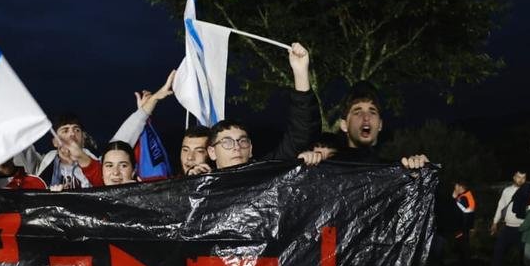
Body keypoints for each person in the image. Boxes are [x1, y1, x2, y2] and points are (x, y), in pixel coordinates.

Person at [31, 71, 176, 190]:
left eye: (76, 130)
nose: (71, 134)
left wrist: (153, 100)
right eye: (65, 130)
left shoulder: (102, 167)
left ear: (84, 138)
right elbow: (14, 146)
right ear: (55, 141)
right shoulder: (40, 165)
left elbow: (127, 134)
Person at [204, 43, 321, 173]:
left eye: (243, 141)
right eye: (227, 142)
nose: (236, 147)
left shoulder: (265, 173)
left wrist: (300, 72)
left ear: (250, 150)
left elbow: (301, 133)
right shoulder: (200, 186)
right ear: (212, 152)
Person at [332, 81, 429, 169]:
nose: (366, 117)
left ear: (380, 125)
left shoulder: (395, 171)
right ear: (344, 125)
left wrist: (420, 173)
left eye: (372, 112)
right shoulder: (330, 169)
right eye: (358, 112)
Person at [483, 169, 529, 266]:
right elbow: (501, 206)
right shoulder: (507, 191)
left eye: (523, 177)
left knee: (524, 254)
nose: (521, 180)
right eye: (519, 177)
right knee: (498, 249)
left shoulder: (528, 191)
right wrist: (495, 222)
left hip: (522, 228)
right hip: (508, 227)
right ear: (514, 177)